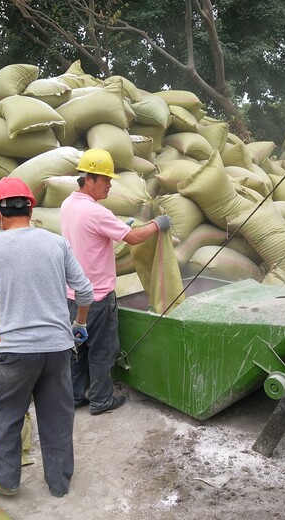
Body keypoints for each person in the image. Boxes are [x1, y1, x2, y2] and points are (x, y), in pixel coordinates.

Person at [0, 177, 94, 498]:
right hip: (58, 349)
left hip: (17, 353)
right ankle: (59, 483)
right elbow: (85, 291)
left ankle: (5, 480)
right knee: (57, 417)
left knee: (8, 416)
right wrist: (79, 323)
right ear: (30, 208)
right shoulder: (55, 243)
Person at [60, 148, 171, 416]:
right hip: (97, 297)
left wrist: (118, 227)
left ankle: (75, 396)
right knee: (102, 350)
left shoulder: (67, 205)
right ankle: (100, 400)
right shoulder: (97, 213)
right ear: (88, 179)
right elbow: (133, 239)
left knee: (77, 347)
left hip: (72, 295)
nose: (109, 185)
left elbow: (89, 237)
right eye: (105, 180)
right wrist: (157, 224)